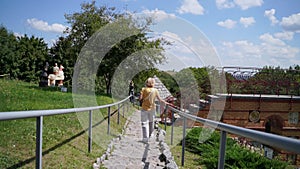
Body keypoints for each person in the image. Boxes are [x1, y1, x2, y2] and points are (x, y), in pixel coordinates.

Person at [139, 77, 167, 143]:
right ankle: (151, 135)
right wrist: (166, 103)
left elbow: (140, 98)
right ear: (153, 83)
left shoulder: (143, 89)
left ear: (146, 83)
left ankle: (145, 138)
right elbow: (160, 100)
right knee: (151, 122)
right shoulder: (155, 90)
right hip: (152, 109)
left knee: (144, 123)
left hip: (144, 108)